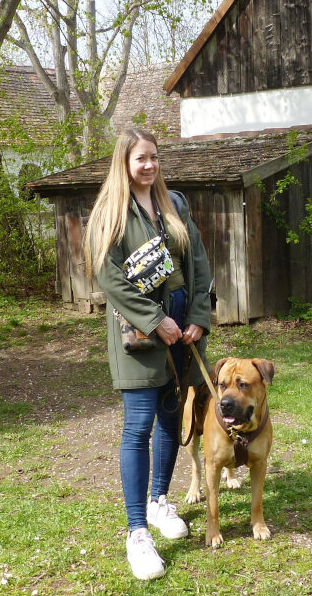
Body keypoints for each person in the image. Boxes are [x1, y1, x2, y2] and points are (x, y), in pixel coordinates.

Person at [84, 129, 213, 581]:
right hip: (140, 332)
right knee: (139, 425)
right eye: (141, 159)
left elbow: (197, 259)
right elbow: (110, 277)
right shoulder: (111, 213)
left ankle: (160, 501)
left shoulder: (174, 204)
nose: (150, 166)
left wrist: (198, 314)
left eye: (154, 158)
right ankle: (137, 531)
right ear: (124, 162)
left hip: (184, 329)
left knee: (169, 417)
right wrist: (154, 319)